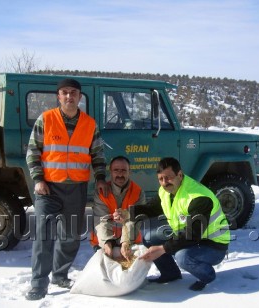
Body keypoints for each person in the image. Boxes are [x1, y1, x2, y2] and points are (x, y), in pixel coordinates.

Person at [25, 78, 109, 301]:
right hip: (48, 188)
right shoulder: (46, 119)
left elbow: (98, 155)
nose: (69, 96)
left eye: (74, 92)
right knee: (43, 236)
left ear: (80, 97)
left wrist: (100, 178)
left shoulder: (90, 124)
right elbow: (32, 152)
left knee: (70, 235)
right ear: (58, 96)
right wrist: (38, 179)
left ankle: (60, 275)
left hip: (76, 188)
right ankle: (38, 284)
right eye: (65, 92)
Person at [127, 157, 230, 291]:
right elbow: (152, 208)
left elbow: (192, 234)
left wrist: (163, 249)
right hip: (187, 234)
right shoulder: (166, 191)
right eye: (161, 179)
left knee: (182, 256)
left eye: (168, 177)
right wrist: (128, 213)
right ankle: (170, 274)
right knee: (149, 238)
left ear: (179, 175)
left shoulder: (198, 197)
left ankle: (207, 276)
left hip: (213, 244)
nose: (164, 183)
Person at [90, 155, 146, 261]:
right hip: (104, 241)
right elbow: (101, 221)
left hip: (130, 240)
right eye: (116, 170)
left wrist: (125, 242)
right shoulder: (101, 192)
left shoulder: (138, 193)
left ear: (130, 172)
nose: (120, 174)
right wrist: (107, 243)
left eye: (124, 170)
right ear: (110, 172)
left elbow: (135, 221)